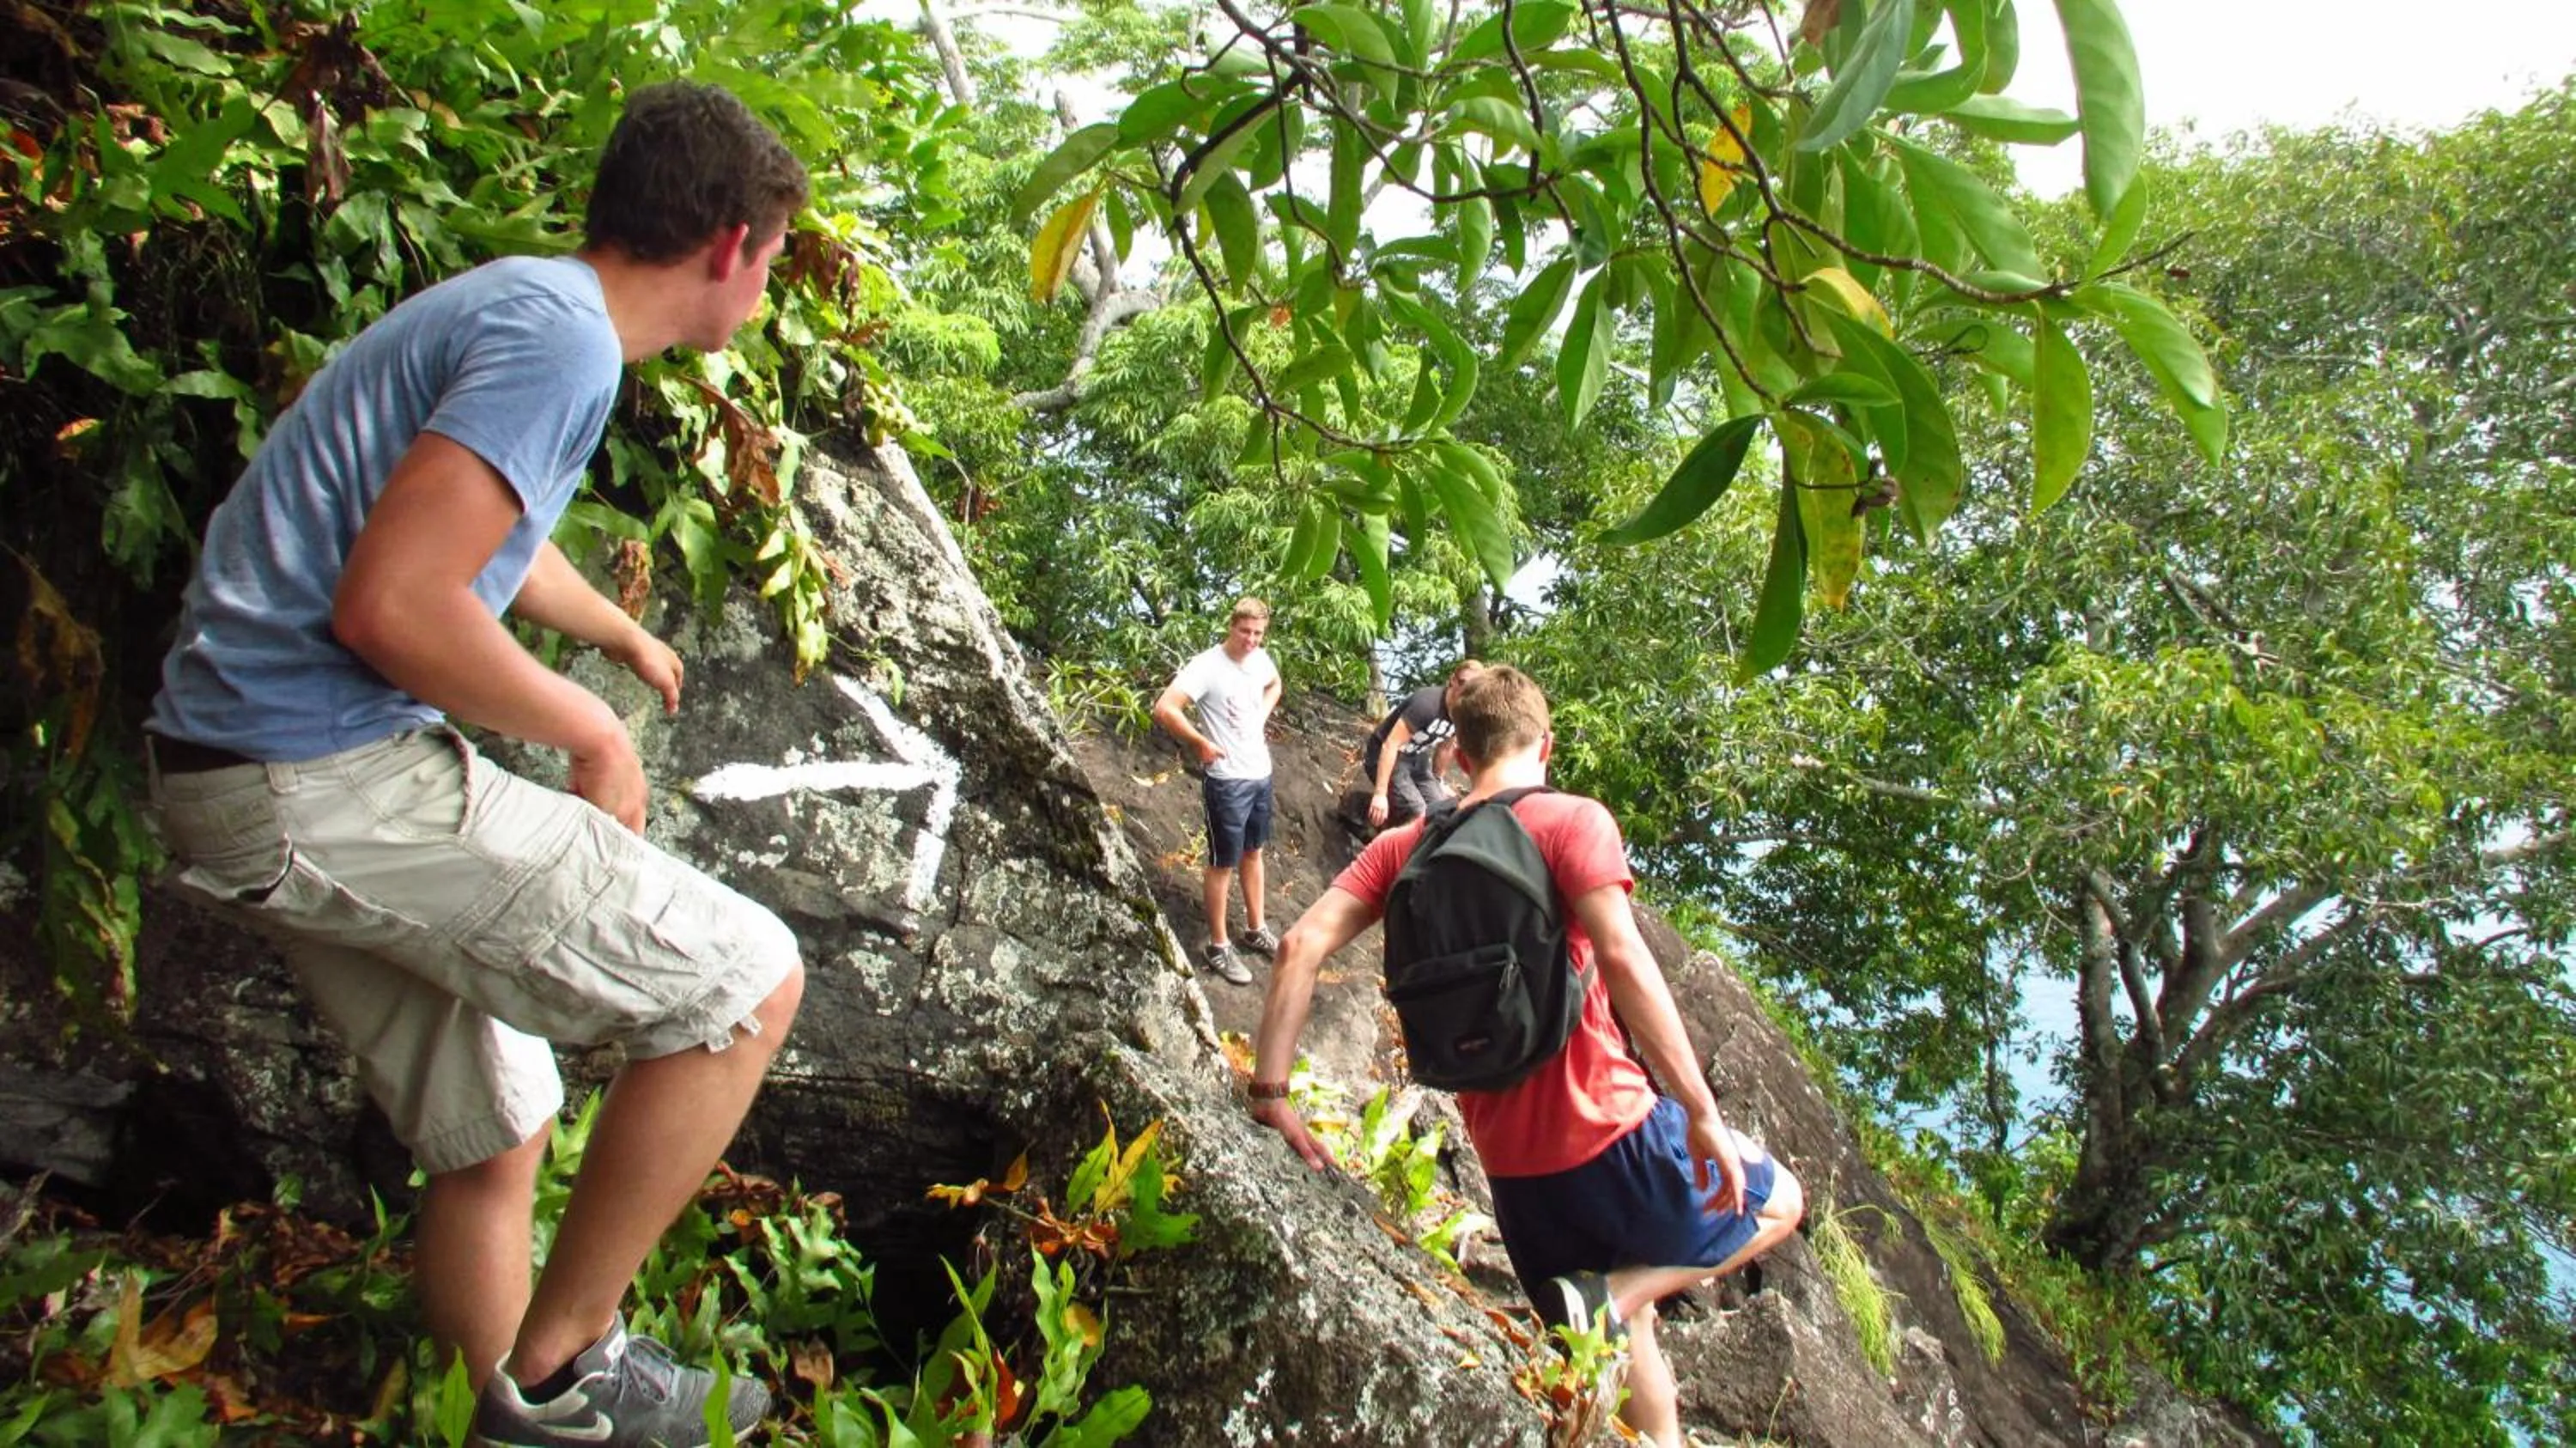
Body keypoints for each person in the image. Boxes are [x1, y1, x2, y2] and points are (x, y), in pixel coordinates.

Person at [141, 82, 811, 1448]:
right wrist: (593, 727)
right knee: (744, 982)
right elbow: (393, 602)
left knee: (495, 1128)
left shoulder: (533, 309)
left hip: (236, 762)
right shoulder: (562, 343)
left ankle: (506, 1422)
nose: (766, 293)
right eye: (774, 265)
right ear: (732, 244)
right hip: (312, 769)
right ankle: (570, 1373)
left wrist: (613, 626)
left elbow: (478, 531)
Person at [1247, 666, 1804, 1448]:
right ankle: (1616, 1292)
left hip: (1517, 1179)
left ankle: (1633, 1366)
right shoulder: (1571, 819)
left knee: (1621, 1340)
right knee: (1779, 1200)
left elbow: (1299, 946)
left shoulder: (1408, 844)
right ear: (1546, 743)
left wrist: (1271, 1093)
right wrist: (1703, 1115)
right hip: (1611, 1137)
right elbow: (1624, 957)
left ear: (1461, 758)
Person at [1150, 598, 1282, 986]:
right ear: (1232, 626)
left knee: (1254, 851)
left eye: (1258, 634)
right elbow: (1166, 708)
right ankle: (1219, 945)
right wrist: (1200, 743)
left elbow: (1275, 684)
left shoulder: (1260, 659)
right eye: (1245, 632)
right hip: (1226, 780)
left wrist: (1262, 713)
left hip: (1260, 772)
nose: (1251, 641)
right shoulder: (1207, 665)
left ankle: (1256, 928)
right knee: (1223, 861)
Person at [1357, 659, 1480, 830]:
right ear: (1452, 680)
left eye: (1472, 687)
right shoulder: (1426, 705)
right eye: (1462, 683)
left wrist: (1438, 781)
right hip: (1385, 757)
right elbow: (1390, 745)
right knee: (1419, 813)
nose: (1465, 691)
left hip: (1417, 759)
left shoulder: (1463, 714)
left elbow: (1446, 747)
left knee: (1443, 810)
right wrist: (1380, 794)